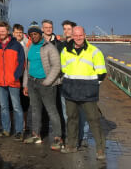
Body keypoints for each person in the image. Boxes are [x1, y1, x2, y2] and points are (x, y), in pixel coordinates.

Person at [60, 26, 107, 160]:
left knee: (93, 120)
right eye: (75, 35)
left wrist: (91, 86)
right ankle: (72, 145)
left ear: (85, 35)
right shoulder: (65, 51)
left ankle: (100, 149)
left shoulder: (94, 51)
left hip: (88, 93)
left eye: (80, 35)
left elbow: (102, 73)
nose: (78, 38)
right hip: (70, 91)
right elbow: (63, 70)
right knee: (71, 119)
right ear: (72, 36)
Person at [22, 24, 62, 150]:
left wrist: (47, 81)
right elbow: (27, 68)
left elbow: (57, 66)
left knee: (52, 111)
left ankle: (58, 138)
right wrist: (25, 84)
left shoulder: (49, 47)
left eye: (35, 34)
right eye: (31, 35)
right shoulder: (30, 48)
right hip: (32, 82)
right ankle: (36, 135)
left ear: (40, 34)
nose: (33, 36)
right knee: (35, 110)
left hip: (46, 84)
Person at [0, 21, 25, 139]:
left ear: (8, 31)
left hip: (13, 81)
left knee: (16, 107)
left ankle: (19, 131)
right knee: (4, 107)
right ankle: (6, 130)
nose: (0, 33)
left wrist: (16, 76)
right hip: (0, 81)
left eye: (3, 31)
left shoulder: (16, 45)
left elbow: (21, 63)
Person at [12, 23, 30, 133]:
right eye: (16, 32)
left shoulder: (27, 44)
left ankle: (24, 124)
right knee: (13, 101)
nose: (18, 34)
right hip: (12, 76)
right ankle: (13, 123)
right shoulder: (10, 44)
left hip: (24, 75)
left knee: (24, 101)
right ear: (13, 33)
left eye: (20, 32)